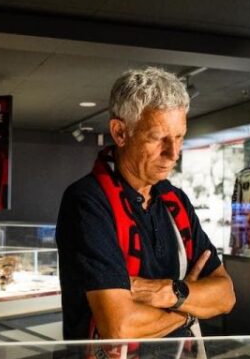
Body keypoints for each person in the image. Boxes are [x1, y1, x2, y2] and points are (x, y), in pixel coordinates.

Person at [56, 67, 235, 344]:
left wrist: (169, 292)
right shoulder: (87, 201)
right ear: (120, 133)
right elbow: (119, 326)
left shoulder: (176, 201)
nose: (173, 153)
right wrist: (189, 309)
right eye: (157, 138)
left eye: (179, 137)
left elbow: (225, 295)